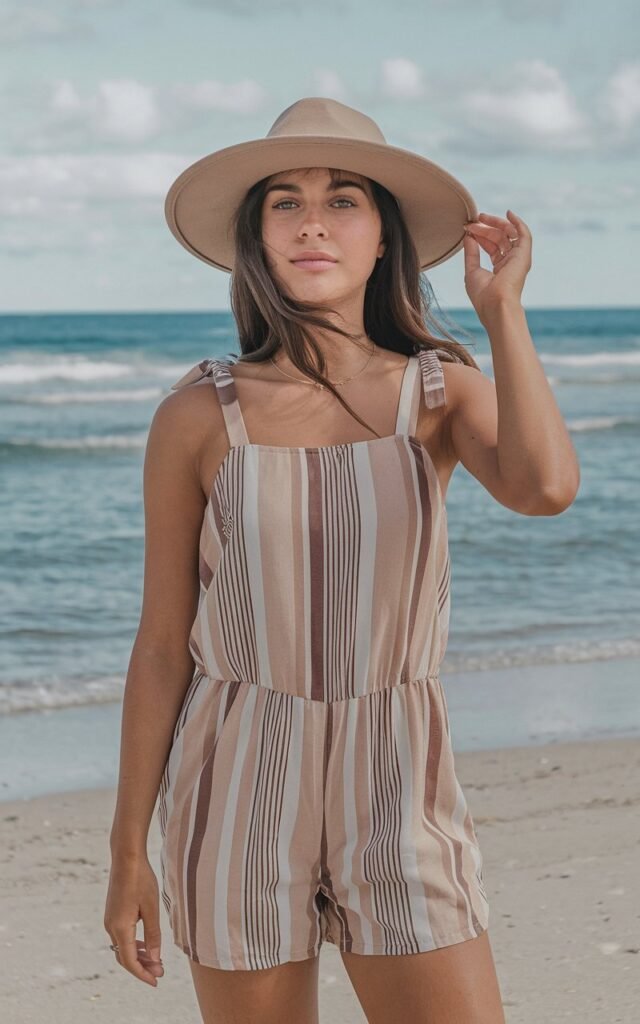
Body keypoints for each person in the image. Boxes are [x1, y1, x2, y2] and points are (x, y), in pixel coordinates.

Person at [104, 97, 580, 1024]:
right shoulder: (199, 415)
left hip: (399, 766)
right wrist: (129, 851)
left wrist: (502, 316)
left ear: (382, 240)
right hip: (234, 772)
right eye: (285, 202)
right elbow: (163, 642)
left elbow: (546, 488)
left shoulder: (440, 393)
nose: (313, 220)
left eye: (344, 200)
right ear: (256, 239)